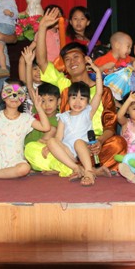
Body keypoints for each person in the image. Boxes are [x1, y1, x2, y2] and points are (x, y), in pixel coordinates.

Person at [35, 7, 127, 171]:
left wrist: (99, 142)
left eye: (76, 57)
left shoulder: (103, 90)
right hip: (68, 146)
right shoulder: (64, 84)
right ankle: (84, 167)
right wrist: (42, 27)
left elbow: (110, 126)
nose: (72, 62)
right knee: (32, 150)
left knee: (118, 144)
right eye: (67, 59)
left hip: (94, 144)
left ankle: (70, 166)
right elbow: (42, 62)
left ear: (86, 60)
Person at [45, 58, 108, 186]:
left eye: (82, 98)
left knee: (78, 142)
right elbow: (58, 138)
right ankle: (76, 168)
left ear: (87, 101)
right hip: (69, 152)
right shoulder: (63, 116)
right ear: (68, 99)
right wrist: (50, 146)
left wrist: (97, 71)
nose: (77, 102)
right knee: (51, 141)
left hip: (84, 149)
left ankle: (89, 172)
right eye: (74, 98)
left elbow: (99, 93)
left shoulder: (88, 112)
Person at [0, 79, 50, 178]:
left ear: (24, 97)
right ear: (3, 96)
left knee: (25, 168)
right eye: (9, 91)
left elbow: (45, 127)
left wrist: (38, 107)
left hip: (17, 162)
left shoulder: (26, 119)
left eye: (19, 93)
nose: (14, 96)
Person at [24, 82, 74, 177]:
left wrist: (45, 142)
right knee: (29, 150)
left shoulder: (60, 118)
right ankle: (53, 167)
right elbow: (30, 87)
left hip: (46, 151)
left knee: (52, 130)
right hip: (30, 150)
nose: (47, 105)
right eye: (43, 101)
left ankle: (58, 166)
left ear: (58, 101)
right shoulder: (37, 110)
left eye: (51, 100)